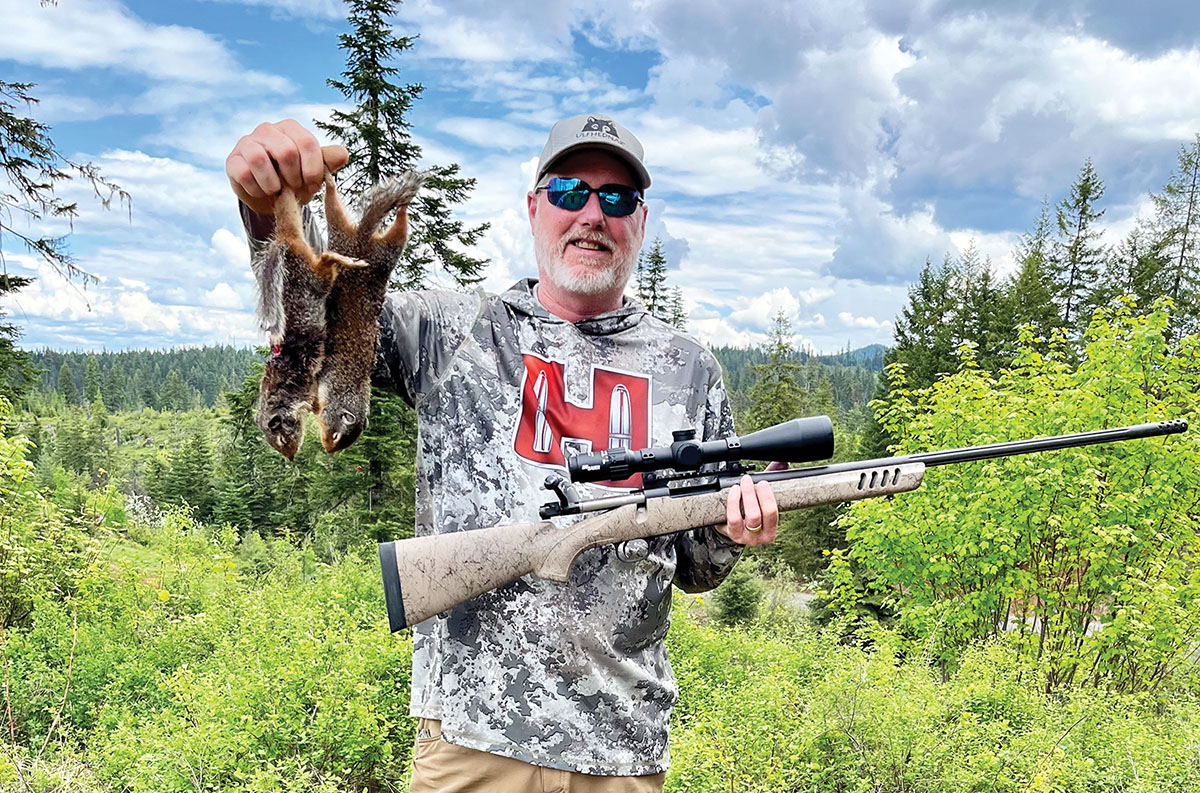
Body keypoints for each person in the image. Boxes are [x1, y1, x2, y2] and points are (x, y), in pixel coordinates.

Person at [226, 114, 780, 793]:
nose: (591, 215)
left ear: (640, 219)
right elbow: (325, 324)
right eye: (570, 192)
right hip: (469, 744)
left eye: (616, 198)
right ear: (534, 207)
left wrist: (733, 528)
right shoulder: (453, 329)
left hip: (622, 754)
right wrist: (270, 210)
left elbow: (694, 566)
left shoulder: (688, 367)